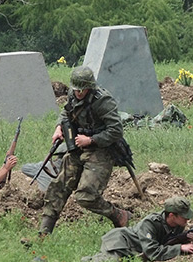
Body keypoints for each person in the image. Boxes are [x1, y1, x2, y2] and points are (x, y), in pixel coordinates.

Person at [39, 66, 131, 236]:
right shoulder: (72, 95)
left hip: (101, 150)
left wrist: (91, 140)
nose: (79, 93)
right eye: (76, 89)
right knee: (57, 188)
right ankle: (43, 235)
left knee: (85, 196)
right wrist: (59, 127)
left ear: (90, 86)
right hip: (78, 147)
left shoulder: (103, 101)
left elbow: (116, 130)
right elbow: (67, 112)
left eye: (83, 89)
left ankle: (118, 215)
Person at [82, 196, 193, 262]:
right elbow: (152, 251)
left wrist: (186, 239)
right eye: (183, 215)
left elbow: (168, 240)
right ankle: (85, 261)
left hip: (138, 250)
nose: (187, 218)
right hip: (122, 244)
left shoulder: (179, 224)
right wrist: (179, 248)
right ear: (171, 216)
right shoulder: (150, 223)